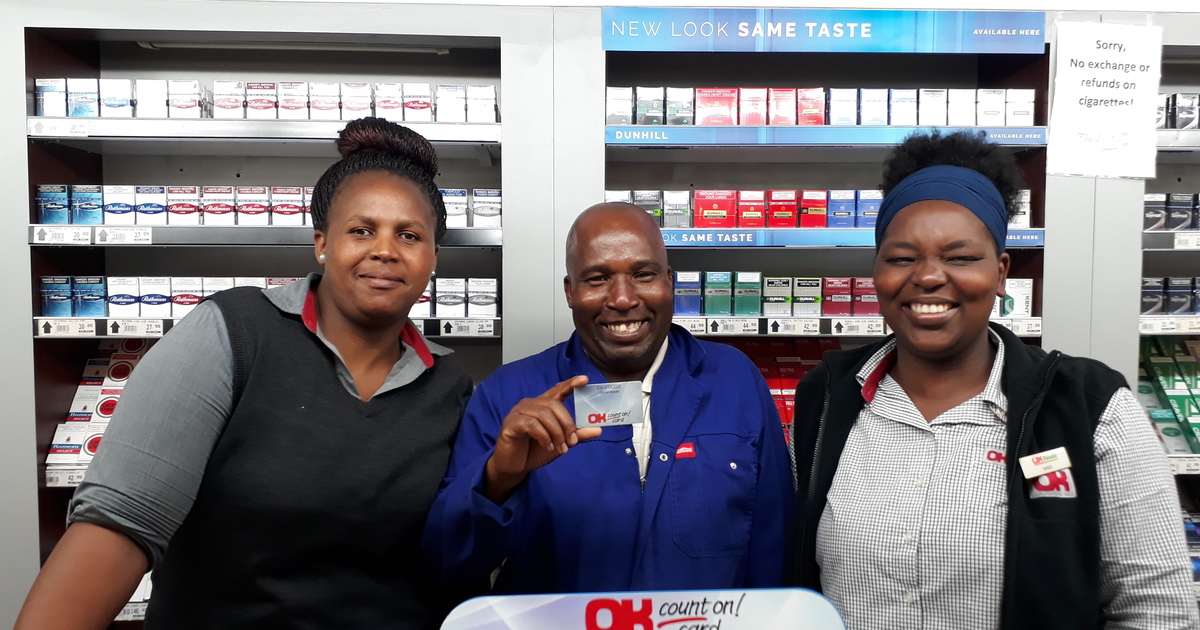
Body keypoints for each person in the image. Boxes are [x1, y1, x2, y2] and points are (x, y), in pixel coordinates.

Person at [15, 118, 477, 630]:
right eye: (361, 230)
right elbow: (120, 526)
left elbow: (447, 554)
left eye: (409, 235)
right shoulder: (232, 336)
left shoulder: (449, 386)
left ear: (433, 257)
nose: (385, 249)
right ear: (322, 243)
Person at [787, 130, 1199, 630]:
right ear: (876, 272)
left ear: (1001, 273)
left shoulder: (1091, 408)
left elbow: (1157, 611)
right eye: (901, 258)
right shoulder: (827, 397)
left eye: (960, 257)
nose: (929, 277)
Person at [423, 203, 792, 593]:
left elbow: (775, 545)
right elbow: (449, 562)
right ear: (570, 291)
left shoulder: (734, 380)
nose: (622, 299)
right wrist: (499, 477)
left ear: (669, 281)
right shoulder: (508, 396)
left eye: (643, 275)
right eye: (597, 279)